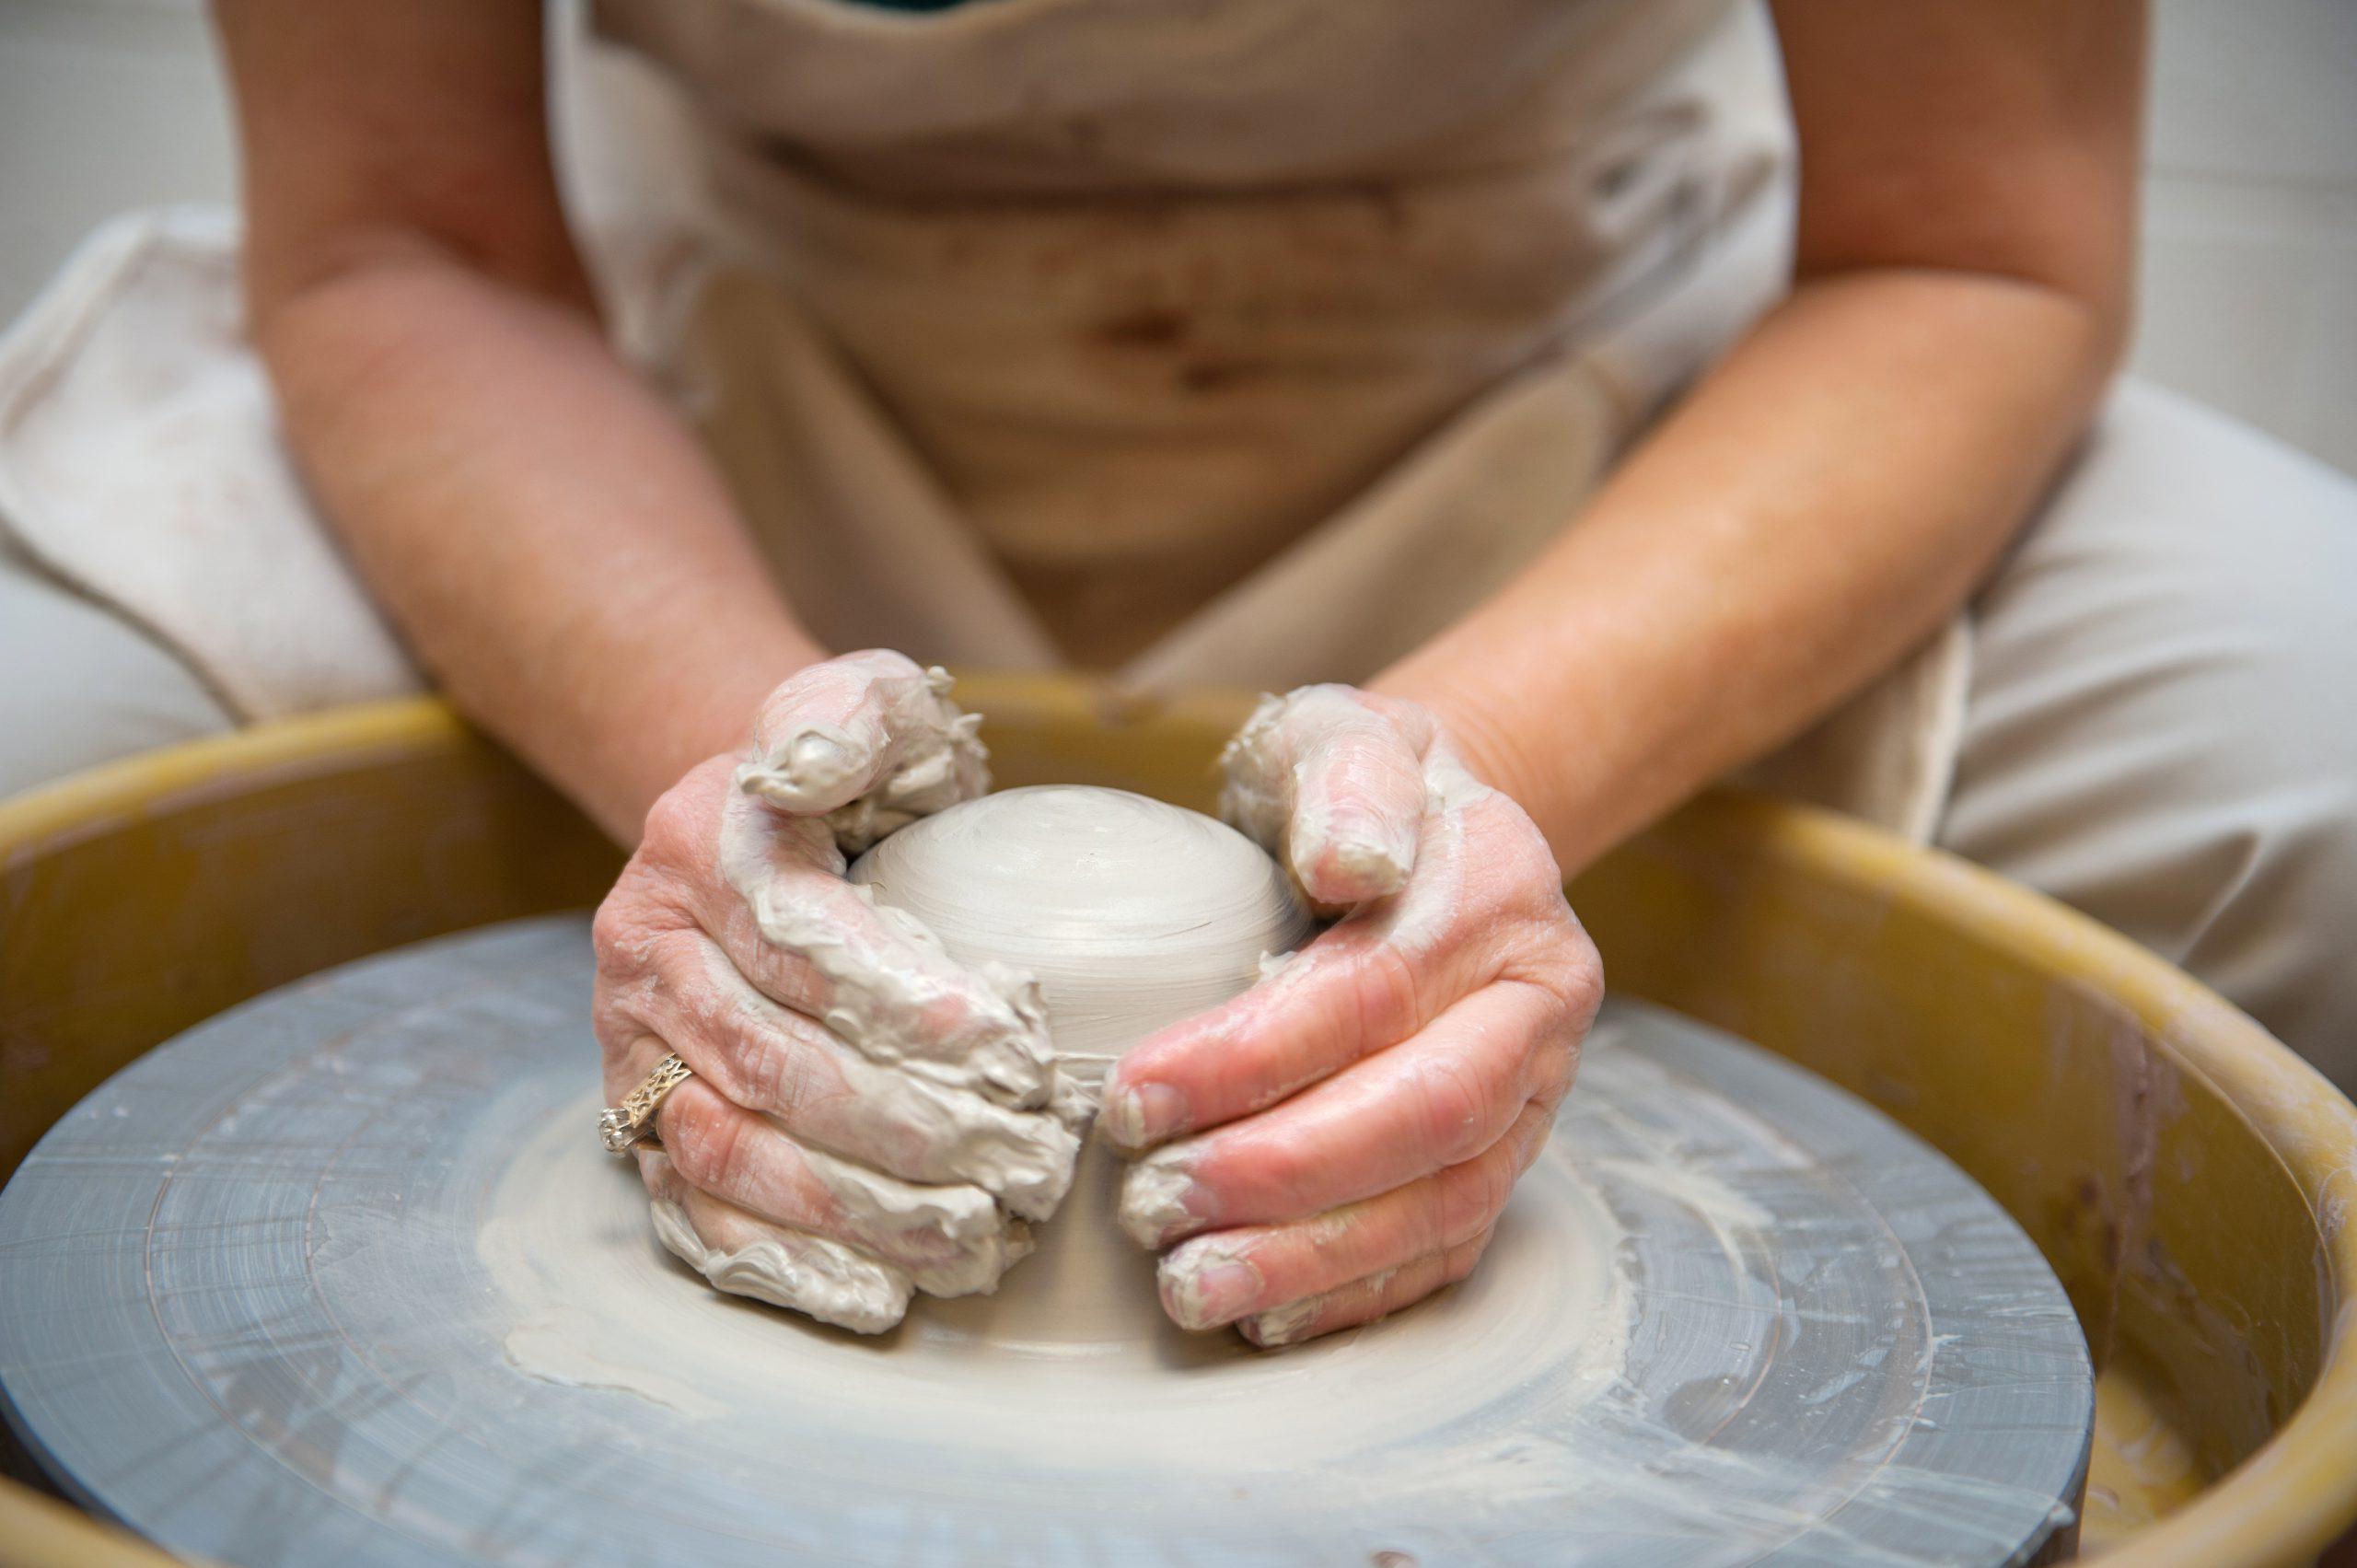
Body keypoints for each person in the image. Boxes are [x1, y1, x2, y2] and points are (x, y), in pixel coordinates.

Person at [1, 0, 2352, 1340]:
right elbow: (411, 237)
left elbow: (1970, 248)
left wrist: (1478, 769)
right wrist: (733, 797)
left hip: (1586, 388)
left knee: (2313, 755)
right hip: (688, 385)